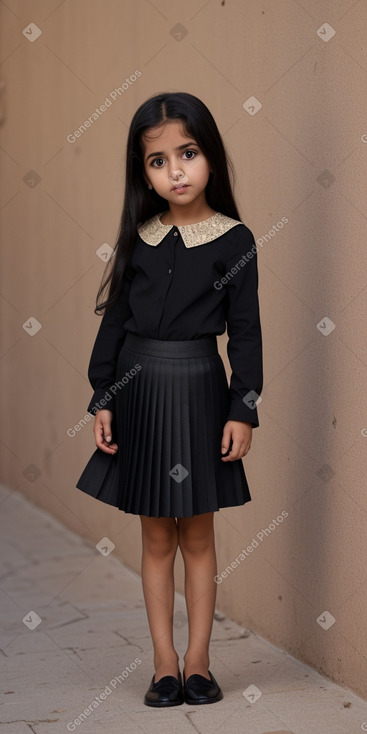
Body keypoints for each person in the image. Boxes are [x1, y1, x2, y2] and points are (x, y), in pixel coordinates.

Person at [76, 91, 263, 707]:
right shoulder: (140, 239)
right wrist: (103, 395)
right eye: (158, 161)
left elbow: (247, 333)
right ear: (144, 173)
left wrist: (244, 407)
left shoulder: (235, 241)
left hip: (201, 391)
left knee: (199, 535)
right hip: (138, 392)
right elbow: (115, 324)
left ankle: (200, 661)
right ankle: (162, 664)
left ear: (211, 155)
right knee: (156, 536)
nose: (175, 170)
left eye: (187, 153)